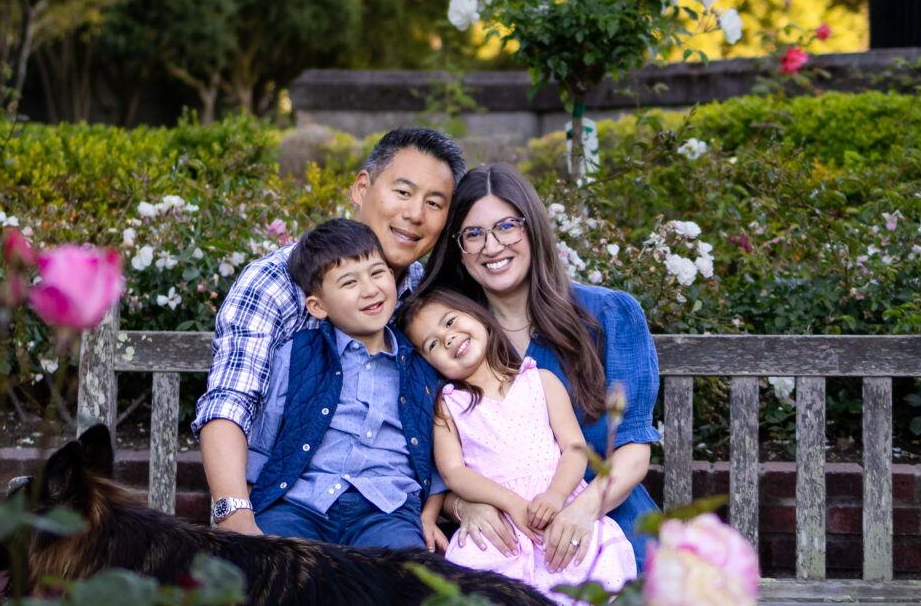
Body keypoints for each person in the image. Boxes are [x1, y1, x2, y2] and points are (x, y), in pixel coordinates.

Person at [193, 128, 466, 538]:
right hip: (294, 502)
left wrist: (464, 503)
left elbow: (462, 409)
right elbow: (232, 400)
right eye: (403, 192)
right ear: (361, 188)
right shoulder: (276, 282)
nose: (415, 214)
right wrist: (237, 517)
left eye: (434, 203)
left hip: (386, 510)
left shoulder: (427, 302)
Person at [416, 163, 661, 572]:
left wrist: (581, 511)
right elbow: (441, 464)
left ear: (532, 228)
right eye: (473, 234)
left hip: (608, 522)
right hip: (505, 546)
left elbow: (634, 450)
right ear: (458, 248)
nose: (492, 247)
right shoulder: (449, 341)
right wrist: (464, 507)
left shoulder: (610, 315)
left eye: (507, 226)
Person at [398, 288, 636, 601]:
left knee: (589, 564)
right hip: (497, 522)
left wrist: (556, 494)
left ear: (481, 318)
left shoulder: (540, 381)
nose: (448, 338)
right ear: (430, 363)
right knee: (476, 576)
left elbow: (575, 448)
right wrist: (510, 503)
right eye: (432, 344)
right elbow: (454, 472)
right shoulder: (448, 405)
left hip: (558, 510)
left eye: (451, 322)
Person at [244, 219, 447, 550]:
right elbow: (264, 440)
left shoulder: (421, 365)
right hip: (300, 503)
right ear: (318, 306)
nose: (370, 289)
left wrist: (428, 515)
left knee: (408, 577)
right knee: (271, 566)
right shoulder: (298, 354)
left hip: (387, 509)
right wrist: (250, 504)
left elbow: (436, 451)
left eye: (377, 273)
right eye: (349, 282)